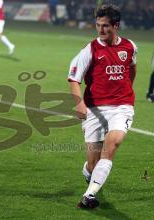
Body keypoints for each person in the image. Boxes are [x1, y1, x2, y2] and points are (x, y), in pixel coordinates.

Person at [67, 4, 137, 209]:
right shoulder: (90, 49)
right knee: (92, 164)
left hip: (121, 107)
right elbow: (73, 78)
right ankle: (90, 175)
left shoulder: (130, 46)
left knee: (112, 145)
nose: (100, 29)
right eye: (98, 25)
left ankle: (88, 196)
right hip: (94, 109)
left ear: (116, 26)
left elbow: (132, 68)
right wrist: (79, 103)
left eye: (105, 25)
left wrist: (126, 91)